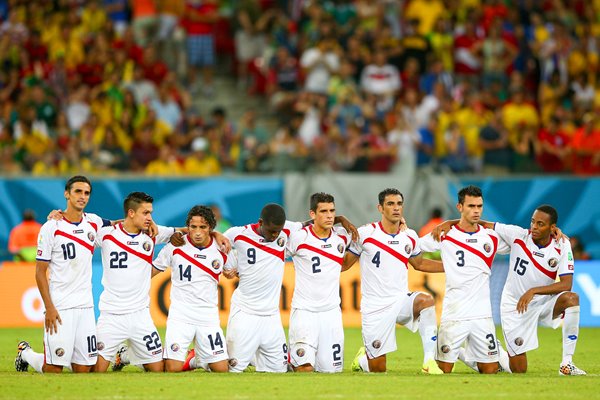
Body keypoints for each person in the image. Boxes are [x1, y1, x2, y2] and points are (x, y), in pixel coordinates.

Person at [221, 203, 357, 373]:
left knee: (279, 370)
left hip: (271, 316)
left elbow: (311, 223)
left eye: (278, 231)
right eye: (271, 231)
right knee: (230, 369)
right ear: (260, 222)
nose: (275, 235)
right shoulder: (238, 234)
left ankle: (257, 358)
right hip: (245, 311)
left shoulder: (286, 231)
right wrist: (228, 266)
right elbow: (216, 242)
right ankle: (199, 359)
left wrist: (339, 219)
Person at [459, 206, 586, 375]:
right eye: (533, 222)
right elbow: (481, 224)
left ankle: (567, 363)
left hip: (542, 302)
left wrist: (533, 291)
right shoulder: (517, 235)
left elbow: (566, 284)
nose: (534, 227)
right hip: (514, 306)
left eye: (540, 224)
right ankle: (476, 350)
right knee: (518, 370)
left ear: (552, 228)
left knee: (571, 299)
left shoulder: (562, 244)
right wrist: (451, 224)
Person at [15, 176, 112, 373]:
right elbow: (40, 272)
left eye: (86, 193)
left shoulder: (93, 222)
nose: (82, 196)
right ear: (66, 193)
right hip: (60, 306)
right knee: (53, 369)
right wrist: (49, 307)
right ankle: (25, 354)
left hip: (85, 306)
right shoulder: (51, 227)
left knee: (83, 370)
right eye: (78, 191)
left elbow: (121, 225)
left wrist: (143, 222)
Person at [345, 188, 444, 374]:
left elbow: (419, 263)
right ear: (380, 208)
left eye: (399, 204)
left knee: (426, 301)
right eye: (390, 204)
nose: (396, 208)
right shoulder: (366, 233)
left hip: (400, 300)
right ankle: (362, 359)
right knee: (378, 369)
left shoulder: (410, 236)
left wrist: (451, 267)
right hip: (374, 307)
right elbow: (344, 265)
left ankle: (428, 361)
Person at [420, 185, 511, 374]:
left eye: (479, 206)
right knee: (443, 370)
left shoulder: (491, 237)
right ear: (459, 207)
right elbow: (414, 247)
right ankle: (461, 353)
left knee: (491, 370)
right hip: (454, 312)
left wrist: (553, 236)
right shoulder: (444, 234)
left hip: (482, 313)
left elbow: (521, 244)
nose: (476, 211)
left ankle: (478, 353)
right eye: (471, 206)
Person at [93, 192, 176, 373]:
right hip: (111, 316)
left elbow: (184, 232)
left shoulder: (152, 234)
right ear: (131, 213)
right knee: (95, 370)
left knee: (158, 369)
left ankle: (124, 356)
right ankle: (28, 354)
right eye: (145, 213)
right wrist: (57, 217)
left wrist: (215, 235)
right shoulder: (106, 234)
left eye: (150, 213)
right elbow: (79, 233)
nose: (150, 218)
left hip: (140, 316)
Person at [153, 205, 229, 373]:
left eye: (203, 227)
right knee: (171, 369)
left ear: (210, 228)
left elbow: (232, 273)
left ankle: (197, 360)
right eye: (193, 227)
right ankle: (196, 360)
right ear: (188, 227)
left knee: (222, 370)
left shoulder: (221, 248)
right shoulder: (176, 246)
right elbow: (152, 271)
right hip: (180, 316)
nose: (197, 232)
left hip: (207, 316)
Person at [286, 193, 351, 373]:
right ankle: (291, 360)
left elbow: (369, 243)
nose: (330, 215)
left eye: (332, 211)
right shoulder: (298, 238)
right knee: (305, 368)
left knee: (332, 371)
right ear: (312, 214)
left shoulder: (343, 237)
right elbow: (273, 249)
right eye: (323, 211)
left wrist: (401, 227)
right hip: (304, 312)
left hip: (331, 313)